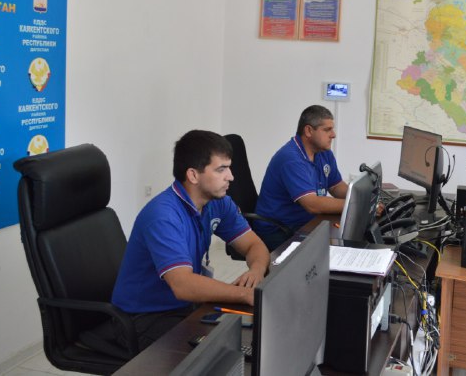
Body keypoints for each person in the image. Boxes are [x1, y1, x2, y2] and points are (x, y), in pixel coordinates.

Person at [112, 130, 269, 350]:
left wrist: (256, 272)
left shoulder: (218, 202)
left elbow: (254, 245)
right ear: (193, 175)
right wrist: (244, 294)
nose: (231, 177)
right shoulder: (163, 216)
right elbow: (183, 285)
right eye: (221, 169)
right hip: (143, 318)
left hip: (184, 306)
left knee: (245, 338)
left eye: (229, 168)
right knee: (219, 352)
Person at [255, 105, 349, 250]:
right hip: (279, 229)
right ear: (309, 131)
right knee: (332, 250)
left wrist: (362, 197)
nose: (333, 135)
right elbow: (312, 205)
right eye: (327, 130)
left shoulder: (324, 152)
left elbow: (336, 186)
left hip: (305, 222)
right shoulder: (291, 159)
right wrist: (353, 206)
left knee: (344, 240)